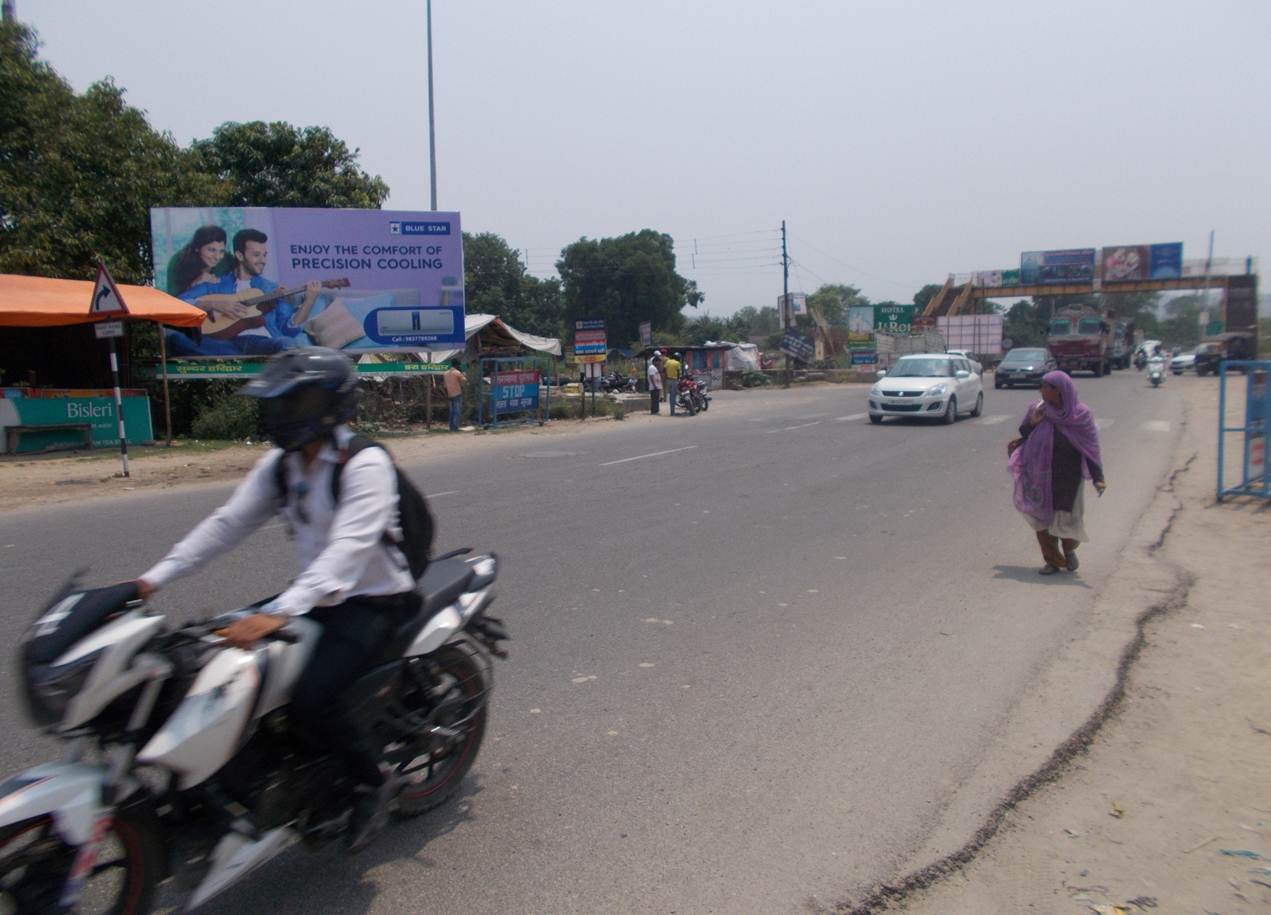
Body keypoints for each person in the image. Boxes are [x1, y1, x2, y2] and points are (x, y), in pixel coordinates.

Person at [134, 348, 419, 852]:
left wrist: (276, 613)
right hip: (314, 598)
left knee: (312, 697)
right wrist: (152, 580)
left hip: (374, 601)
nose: (282, 414)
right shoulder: (283, 465)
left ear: (331, 405)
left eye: (297, 400)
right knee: (209, 665)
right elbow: (227, 524)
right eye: (280, 403)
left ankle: (373, 783)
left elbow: (347, 554)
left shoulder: (365, 462)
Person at [1009, 371, 1107, 575]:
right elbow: (1025, 434)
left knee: (1066, 518)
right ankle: (1052, 561)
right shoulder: (1038, 410)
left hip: (1068, 477)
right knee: (1041, 518)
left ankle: (1069, 550)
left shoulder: (1081, 415)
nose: (1041, 390)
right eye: (1042, 385)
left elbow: (1090, 448)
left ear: (1060, 391)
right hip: (1038, 473)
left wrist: (1098, 478)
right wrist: (1033, 423)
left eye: (1047, 386)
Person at [169, 228, 322, 357]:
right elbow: (177, 305)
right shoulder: (215, 284)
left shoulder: (271, 289)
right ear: (240, 255)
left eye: (264, 255)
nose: (263, 260)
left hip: (263, 343)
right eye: (256, 255)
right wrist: (215, 304)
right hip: (226, 344)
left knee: (287, 344)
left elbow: (289, 331)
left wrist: (309, 301)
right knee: (176, 339)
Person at [169, 224, 230, 294]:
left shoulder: (227, 259)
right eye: (211, 250)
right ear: (197, 248)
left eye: (221, 251)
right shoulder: (177, 262)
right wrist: (194, 284)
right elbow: (174, 301)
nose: (217, 257)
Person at [443, 360, 465, 431]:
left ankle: (451, 427)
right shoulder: (457, 372)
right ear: (457, 365)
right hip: (457, 394)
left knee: (451, 411)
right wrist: (462, 373)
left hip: (449, 394)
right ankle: (455, 427)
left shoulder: (445, 373)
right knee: (457, 411)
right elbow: (464, 380)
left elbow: (445, 386)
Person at [663, 351, 682, 415]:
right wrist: (679, 379)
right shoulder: (677, 363)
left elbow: (664, 370)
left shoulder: (667, 361)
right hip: (674, 380)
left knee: (672, 395)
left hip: (668, 381)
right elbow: (678, 372)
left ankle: (675, 405)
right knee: (674, 396)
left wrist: (666, 378)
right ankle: (672, 412)